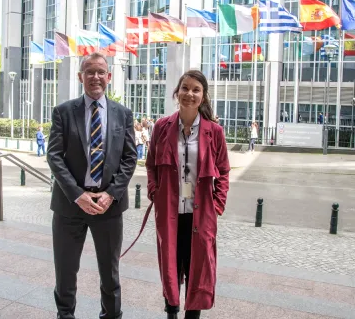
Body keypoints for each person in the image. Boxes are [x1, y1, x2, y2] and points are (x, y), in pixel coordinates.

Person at [47, 53, 137, 319]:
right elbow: (54, 156)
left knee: (110, 274)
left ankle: (111, 316)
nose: (95, 77)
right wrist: (77, 195)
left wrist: (111, 194)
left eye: (100, 72)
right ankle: (65, 316)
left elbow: (130, 158)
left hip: (109, 208)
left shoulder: (123, 114)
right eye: (89, 71)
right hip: (69, 207)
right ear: (80, 77)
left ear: (109, 77)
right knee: (65, 272)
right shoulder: (63, 112)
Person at [146, 70, 230, 319]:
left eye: (196, 90)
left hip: (201, 215)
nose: (189, 94)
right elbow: (150, 164)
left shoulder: (214, 132)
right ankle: (171, 312)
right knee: (170, 266)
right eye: (185, 88)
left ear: (203, 97)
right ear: (177, 92)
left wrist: (217, 204)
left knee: (198, 270)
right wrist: (154, 191)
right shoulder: (162, 127)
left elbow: (224, 170)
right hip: (170, 213)